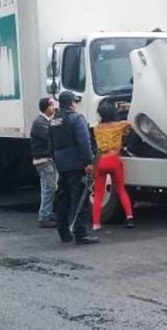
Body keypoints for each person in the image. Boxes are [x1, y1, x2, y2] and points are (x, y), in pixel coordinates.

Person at [49, 90, 98, 245]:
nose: (76, 104)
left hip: (61, 164)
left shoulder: (54, 120)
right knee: (80, 200)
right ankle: (80, 233)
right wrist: (89, 162)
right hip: (76, 164)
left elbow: (50, 143)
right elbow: (84, 142)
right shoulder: (76, 118)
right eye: (75, 101)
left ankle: (63, 232)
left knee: (63, 198)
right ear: (71, 103)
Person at [92, 102, 135, 230]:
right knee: (121, 190)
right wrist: (125, 109)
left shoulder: (97, 128)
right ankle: (129, 218)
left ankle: (96, 223)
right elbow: (132, 124)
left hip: (101, 161)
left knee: (98, 194)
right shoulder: (120, 126)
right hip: (114, 160)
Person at [30, 97, 58, 228]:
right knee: (50, 188)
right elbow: (50, 137)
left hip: (45, 159)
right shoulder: (40, 123)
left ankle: (46, 212)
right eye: (51, 105)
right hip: (43, 160)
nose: (54, 107)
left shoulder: (45, 121)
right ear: (45, 108)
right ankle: (44, 216)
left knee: (46, 187)